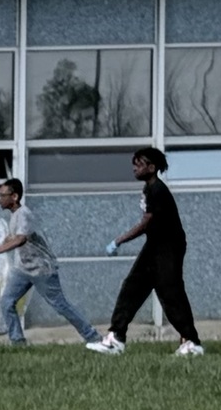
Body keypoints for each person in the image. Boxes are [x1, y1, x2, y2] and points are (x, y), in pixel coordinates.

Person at [86, 147, 204, 356]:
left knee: (170, 292)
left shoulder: (158, 190)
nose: (135, 168)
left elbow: (146, 223)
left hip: (169, 247)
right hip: (155, 246)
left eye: (139, 164)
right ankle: (116, 339)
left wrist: (119, 240)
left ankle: (191, 342)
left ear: (152, 167)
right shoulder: (149, 189)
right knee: (132, 288)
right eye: (134, 163)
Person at [0, 178, 102, 347]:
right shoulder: (14, 216)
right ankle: (18, 342)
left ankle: (92, 336)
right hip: (23, 270)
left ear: (14, 196)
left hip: (41, 269)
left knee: (60, 305)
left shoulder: (24, 214)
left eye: (2, 195)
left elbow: (20, 240)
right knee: (7, 302)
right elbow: (11, 237)